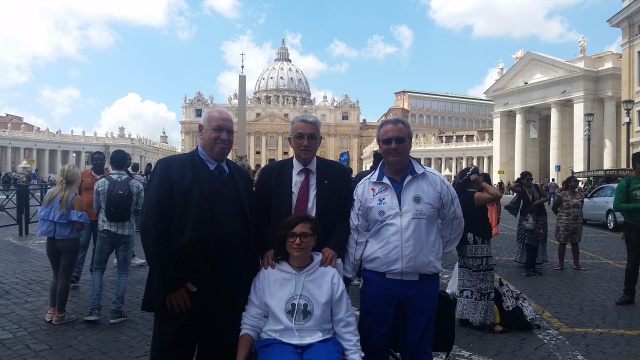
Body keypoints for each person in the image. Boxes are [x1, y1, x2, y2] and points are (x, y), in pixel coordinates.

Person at [140, 108, 260, 358]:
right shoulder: (170, 168)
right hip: (183, 293)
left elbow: (248, 231)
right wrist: (171, 283)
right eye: (218, 130)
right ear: (201, 131)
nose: (224, 137)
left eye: (229, 131)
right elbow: (153, 230)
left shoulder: (239, 175)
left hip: (227, 296)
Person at [345, 117, 463, 359]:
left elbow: (454, 224)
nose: (393, 146)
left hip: (422, 283)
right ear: (379, 145)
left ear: (410, 142)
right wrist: (346, 275)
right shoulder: (365, 187)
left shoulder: (436, 182)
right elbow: (357, 235)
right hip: (378, 281)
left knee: (418, 348)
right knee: (373, 346)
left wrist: (431, 250)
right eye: (387, 141)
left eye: (400, 140)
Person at [237, 214, 363, 360]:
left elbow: (344, 321)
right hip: (277, 340)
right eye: (292, 236)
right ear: (285, 239)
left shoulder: (330, 275)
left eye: (304, 236)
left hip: (321, 341)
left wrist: (354, 356)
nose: (297, 241)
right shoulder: (267, 274)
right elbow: (252, 320)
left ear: (314, 239)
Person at [255, 114, 352, 273]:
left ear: (320, 141)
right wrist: (267, 247)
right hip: (279, 258)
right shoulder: (269, 174)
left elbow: (345, 216)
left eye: (312, 137)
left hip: (324, 258)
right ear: (290, 141)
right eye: (299, 137)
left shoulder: (339, 174)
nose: (306, 143)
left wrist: (334, 246)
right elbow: (260, 216)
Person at [83, 149, 144, 324]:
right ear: (126, 163)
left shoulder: (100, 184)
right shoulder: (136, 184)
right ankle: (116, 312)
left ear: (110, 163)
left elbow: (95, 209)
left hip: (104, 231)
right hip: (126, 233)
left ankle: (95, 310)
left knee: (98, 270)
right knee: (123, 272)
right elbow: (139, 209)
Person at [454, 167, 505, 333]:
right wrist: (481, 182)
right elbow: (497, 195)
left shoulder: (461, 195)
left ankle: (466, 315)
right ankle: (483, 320)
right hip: (476, 242)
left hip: (465, 241)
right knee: (483, 281)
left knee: (467, 280)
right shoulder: (472, 195)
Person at [37, 164, 89, 325]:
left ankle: (51, 311)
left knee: (55, 276)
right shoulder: (75, 198)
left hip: (51, 241)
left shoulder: (49, 194)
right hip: (69, 242)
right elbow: (80, 226)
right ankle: (61, 313)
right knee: (65, 277)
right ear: (77, 180)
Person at [71, 151, 108, 288]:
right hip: (85, 217)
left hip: (101, 218)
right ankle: (76, 273)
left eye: (101, 159)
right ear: (92, 161)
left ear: (105, 161)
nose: (98, 161)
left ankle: (95, 271)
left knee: (98, 247)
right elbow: (76, 193)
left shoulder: (108, 177)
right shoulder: (82, 175)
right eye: (96, 159)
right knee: (82, 245)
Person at [613, 151, 640, 305]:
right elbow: (617, 206)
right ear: (637, 164)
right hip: (633, 227)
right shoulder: (626, 183)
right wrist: (637, 206)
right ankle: (628, 293)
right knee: (633, 261)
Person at [509, 171, 549, 267]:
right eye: (527, 179)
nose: (530, 181)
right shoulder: (521, 189)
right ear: (523, 180)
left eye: (531, 179)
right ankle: (525, 259)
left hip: (540, 214)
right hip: (526, 215)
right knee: (524, 237)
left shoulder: (537, 187)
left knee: (539, 236)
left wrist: (539, 201)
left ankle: (537, 259)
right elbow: (511, 187)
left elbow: (546, 197)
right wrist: (519, 182)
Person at [551, 176, 586, 270]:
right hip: (563, 223)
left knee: (575, 243)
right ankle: (560, 264)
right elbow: (554, 207)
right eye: (575, 181)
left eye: (577, 181)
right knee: (562, 243)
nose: (577, 183)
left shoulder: (580, 195)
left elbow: (580, 207)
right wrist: (561, 216)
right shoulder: (562, 195)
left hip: (577, 223)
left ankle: (576, 264)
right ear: (569, 183)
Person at [522, 206, 543, 276]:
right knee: (529, 256)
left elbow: (535, 228)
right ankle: (527, 269)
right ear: (529, 214)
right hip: (529, 242)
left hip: (535, 241)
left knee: (534, 256)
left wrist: (539, 231)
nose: (535, 216)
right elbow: (530, 227)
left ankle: (533, 268)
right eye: (534, 214)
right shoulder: (525, 221)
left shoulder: (533, 221)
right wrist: (530, 219)